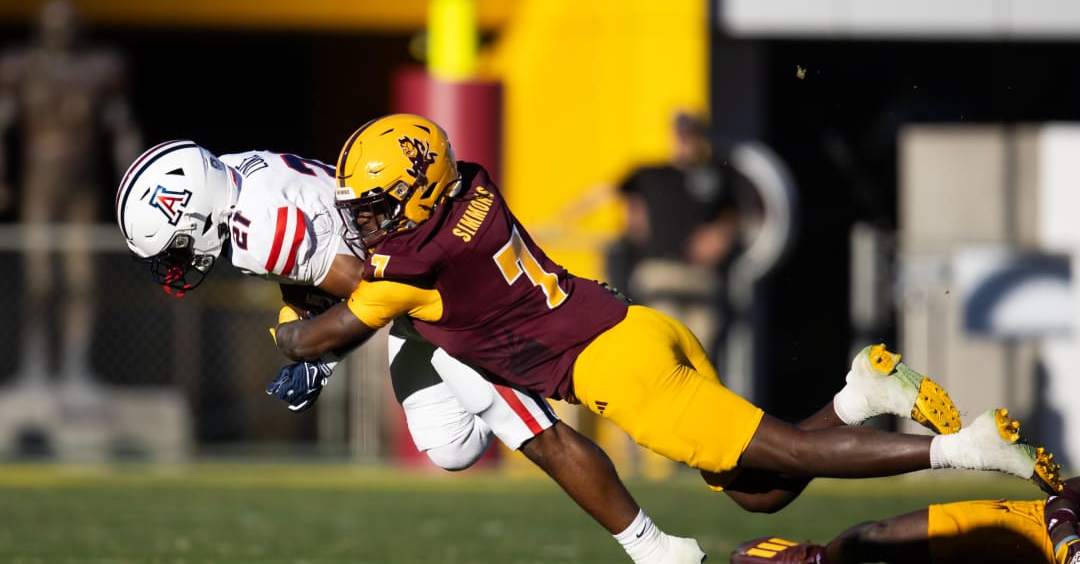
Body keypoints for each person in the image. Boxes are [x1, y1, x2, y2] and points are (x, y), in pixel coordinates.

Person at [271, 113, 1064, 517]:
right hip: (637, 325)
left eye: (374, 204)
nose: (366, 220)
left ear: (416, 189)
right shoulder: (471, 180)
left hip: (617, 372)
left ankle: (965, 448)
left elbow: (325, 335)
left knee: (785, 452)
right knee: (760, 493)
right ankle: (862, 394)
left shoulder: (415, 264)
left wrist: (277, 290)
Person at [114, 140, 706, 564]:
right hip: (409, 279)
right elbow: (308, 270)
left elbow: (373, 294)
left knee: (518, 421)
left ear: (193, 212)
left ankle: (655, 548)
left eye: (175, 245)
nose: (176, 261)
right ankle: (530, 352)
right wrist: (302, 329)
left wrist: (308, 349)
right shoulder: (240, 176)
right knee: (447, 446)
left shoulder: (256, 230)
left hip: (436, 293)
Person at [0, 0, 141, 393]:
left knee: (83, 276)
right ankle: (35, 366)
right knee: (39, 276)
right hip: (39, 181)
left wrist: (131, 183)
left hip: (82, 184)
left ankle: (75, 367)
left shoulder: (99, 70)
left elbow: (121, 126)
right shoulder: (21, 68)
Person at [608, 110, 741, 359]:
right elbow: (610, 193)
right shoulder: (651, 173)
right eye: (681, 135)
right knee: (663, 348)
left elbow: (735, 217)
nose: (685, 141)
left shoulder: (715, 174)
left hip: (700, 277)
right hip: (661, 272)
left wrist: (720, 235)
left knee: (701, 354)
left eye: (691, 135)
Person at [729, 477, 1080, 564]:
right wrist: (1068, 544)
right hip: (1032, 532)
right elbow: (1064, 494)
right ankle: (817, 559)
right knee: (879, 536)